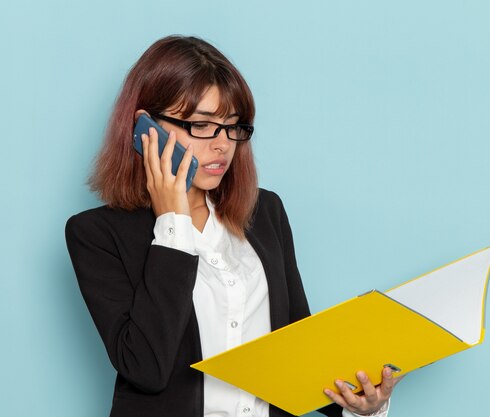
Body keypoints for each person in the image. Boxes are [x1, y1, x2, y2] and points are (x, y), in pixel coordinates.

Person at [65, 35, 399, 417]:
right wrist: (172, 222)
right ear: (146, 129)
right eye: (201, 125)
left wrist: (363, 406)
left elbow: (297, 349)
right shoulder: (95, 235)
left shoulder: (265, 212)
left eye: (232, 125)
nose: (222, 144)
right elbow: (146, 369)